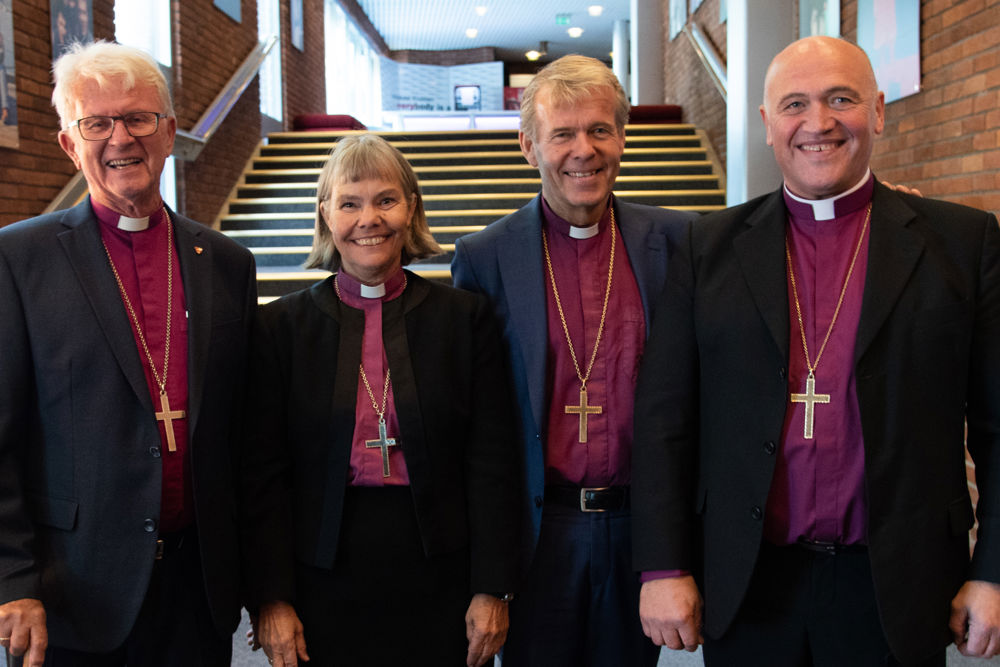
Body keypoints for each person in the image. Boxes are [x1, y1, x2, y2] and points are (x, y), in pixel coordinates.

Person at [632, 35, 1000, 666]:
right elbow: (666, 420)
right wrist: (662, 566)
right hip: (750, 579)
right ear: (768, 124)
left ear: (879, 112)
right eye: (795, 104)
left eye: (841, 99)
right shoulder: (707, 247)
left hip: (894, 580)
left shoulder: (963, 244)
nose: (819, 123)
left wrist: (993, 571)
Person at [0, 41, 256, 665]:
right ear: (69, 142)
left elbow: (247, 429)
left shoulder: (225, 262)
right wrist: (13, 580)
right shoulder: (18, 260)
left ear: (169, 133)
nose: (121, 138)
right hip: (72, 590)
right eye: (97, 123)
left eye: (139, 118)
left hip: (197, 586)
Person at [451, 55, 696, 665]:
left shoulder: (682, 241)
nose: (582, 150)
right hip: (539, 535)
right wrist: (489, 571)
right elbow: (474, 423)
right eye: (562, 133)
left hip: (643, 526)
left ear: (622, 138)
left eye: (599, 130)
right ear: (529, 146)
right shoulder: (484, 259)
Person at [241, 133, 520, 667]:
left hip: (440, 568)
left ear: (411, 208)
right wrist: (271, 598)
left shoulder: (463, 320)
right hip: (321, 569)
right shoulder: (281, 328)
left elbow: (492, 462)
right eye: (349, 203)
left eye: (385, 200)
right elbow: (262, 474)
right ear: (326, 215)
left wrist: (493, 587)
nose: (369, 218)